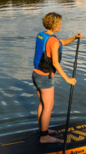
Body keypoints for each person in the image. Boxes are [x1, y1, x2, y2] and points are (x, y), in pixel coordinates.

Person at [32, 12, 83, 143]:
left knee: (43, 105)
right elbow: (55, 63)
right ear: (54, 25)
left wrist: (74, 38)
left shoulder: (42, 35)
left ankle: (43, 130)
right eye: (59, 23)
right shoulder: (53, 41)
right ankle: (44, 137)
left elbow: (60, 43)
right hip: (45, 78)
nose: (61, 25)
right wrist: (68, 79)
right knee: (48, 106)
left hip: (36, 74)